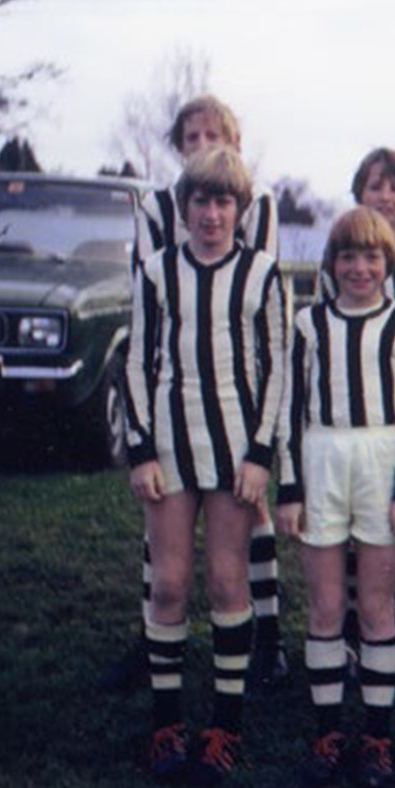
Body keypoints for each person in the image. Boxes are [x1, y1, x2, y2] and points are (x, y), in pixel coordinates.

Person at [100, 94, 286, 694]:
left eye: (216, 135)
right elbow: (147, 296)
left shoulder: (256, 205)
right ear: (178, 147)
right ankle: (151, 642)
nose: (205, 144)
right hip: (172, 393)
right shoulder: (156, 207)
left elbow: (258, 311)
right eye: (193, 136)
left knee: (245, 529)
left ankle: (267, 638)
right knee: (168, 551)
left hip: (234, 405)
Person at [124, 147, 288, 787]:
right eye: (201, 201)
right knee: (167, 585)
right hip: (169, 445)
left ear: (240, 210)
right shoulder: (159, 271)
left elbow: (275, 369)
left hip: (233, 453)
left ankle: (225, 725)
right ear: (184, 206)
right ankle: (166, 721)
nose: (212, 214)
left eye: (224, 202)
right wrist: (139, 449)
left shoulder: (264, 274)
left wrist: (260, 455)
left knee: (226, 583)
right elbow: (137, 361)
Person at [278, 207, 395, 788]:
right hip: (322, 456)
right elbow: (289, 413)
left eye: (372, 257)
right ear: (332, 263)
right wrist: (289, 487)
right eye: (348, 256)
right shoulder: (307, 326)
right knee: (324, 607)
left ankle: (376, 736)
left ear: (387, 264)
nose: (360, 268)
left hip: (382, 458)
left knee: (374, 607)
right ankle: (327, 733)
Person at [326, 148, 395, 685]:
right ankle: (349, 636)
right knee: (349, 532)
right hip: (350, 417)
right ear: (360, 194)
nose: (385, 197)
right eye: (375, 187)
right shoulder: (344, 253)